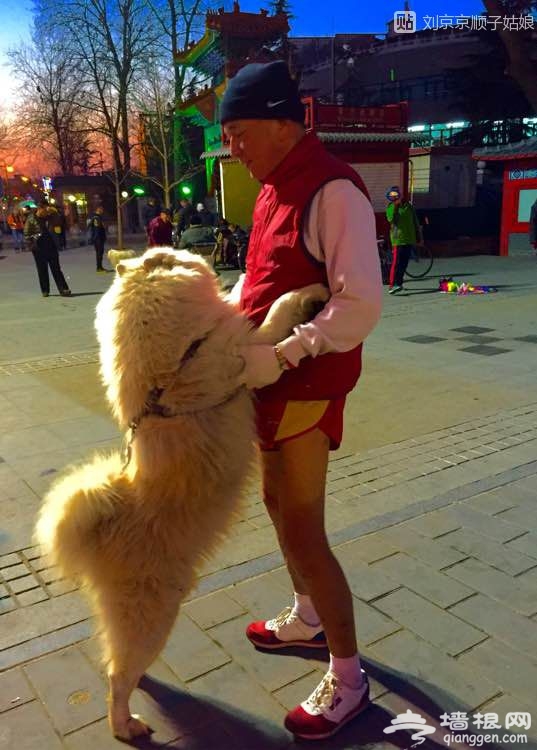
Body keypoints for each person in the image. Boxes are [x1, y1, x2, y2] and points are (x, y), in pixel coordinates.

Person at [221, 61, 382, 740]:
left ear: (285, 123)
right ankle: (305, 617)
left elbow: (360, 305)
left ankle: (348, 679)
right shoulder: (270, 190)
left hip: (304, 384)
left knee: (303, 526)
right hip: (263, 379)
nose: (234, 146)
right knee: (273, 506)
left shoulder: (332, 190)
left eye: (240, 132)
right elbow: (261, 281)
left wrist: (283, 354)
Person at [23, 199, 72, 297]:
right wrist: (32, 246)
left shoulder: (51, 217)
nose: (46, 212)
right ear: (39, 209)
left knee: (56, 268)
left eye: (47, 210)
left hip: (51, 246)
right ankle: (45, 290)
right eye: (44, 210)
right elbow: (26, 234)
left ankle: (63, 289)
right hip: (38, 248)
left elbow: (59, 223)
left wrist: (55, 213)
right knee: (42, 269)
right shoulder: (31, 218)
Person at [385, 186, 423, 294]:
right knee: (396, 263)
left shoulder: (408, 206)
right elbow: (391, 219)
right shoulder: (390, 207)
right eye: (392, 196)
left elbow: (415, 221)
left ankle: (399, 283)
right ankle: (392, 285)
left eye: (396, 195)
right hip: (398, 240)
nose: (395, 197)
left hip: (409, 239)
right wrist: (396, 207)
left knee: (404, 263)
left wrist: (419, 237)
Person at [87, 206, 110, 272]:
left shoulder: (93, 217)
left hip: (97, 238)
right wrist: (98, 238)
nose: (102, 211)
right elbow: (97, 229)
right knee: (99, 253)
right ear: (98, 209)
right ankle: (99, 268)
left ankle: (100, 267)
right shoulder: (96, 217)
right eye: (101, 209)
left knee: (99, 253)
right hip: (98, 238)